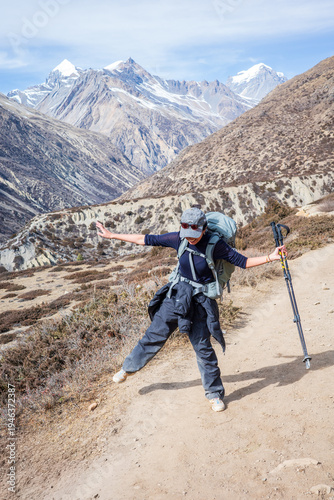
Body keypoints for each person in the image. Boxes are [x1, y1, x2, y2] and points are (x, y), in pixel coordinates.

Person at [96, 207, 287, 412]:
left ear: (204, 229)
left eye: (195, 235)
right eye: (187, 234)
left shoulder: (216, 245)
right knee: (154, 334)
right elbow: (145, 239)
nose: (191, 239)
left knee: (203, 349)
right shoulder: (179, 238)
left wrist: (271, 257)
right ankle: (128, 368)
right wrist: (112, 235)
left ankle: (214, 394)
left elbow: (244, 262)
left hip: (201, 301)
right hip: (177, 295)